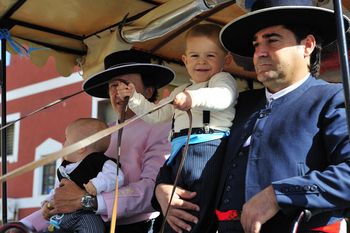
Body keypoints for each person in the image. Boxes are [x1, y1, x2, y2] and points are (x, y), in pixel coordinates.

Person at [153, 0, 350, 232]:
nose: (259, 52)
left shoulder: (333, 98)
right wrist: (162, 187)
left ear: (307, 46)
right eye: (256, 44)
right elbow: (189, 142)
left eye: (272, 40)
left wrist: (277, 195)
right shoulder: (239, 103)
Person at [9, 50, 173, 233]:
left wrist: (88, 201)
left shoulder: (160, 127)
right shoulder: (100, 131)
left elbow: (154, 187)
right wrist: (24, 225)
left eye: (127, 85)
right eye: (113, 85)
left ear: (148, 92)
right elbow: (67, 194)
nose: (118, 92)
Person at [117, 24, 238, 233]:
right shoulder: (180, 90)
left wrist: (193, 98)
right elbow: (156, 115)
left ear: (225, 60)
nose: (201, 61)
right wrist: (135, 99)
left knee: (197, 206)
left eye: (210, 55)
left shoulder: (222, 80)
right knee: (175, 208)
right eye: (195, 56)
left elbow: (223, 97)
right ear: (185, 61)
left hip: (208, 148)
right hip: (178, 153)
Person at [42, 118, 124, 233]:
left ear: (81, 147)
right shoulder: (64, 167)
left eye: (66, 139)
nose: (63, 144)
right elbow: (57, 190)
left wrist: (97, 184)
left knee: (93, 229)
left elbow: (116, 176)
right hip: (62, 216)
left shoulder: (99, 161)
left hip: (85, 214)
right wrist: (46, 203)